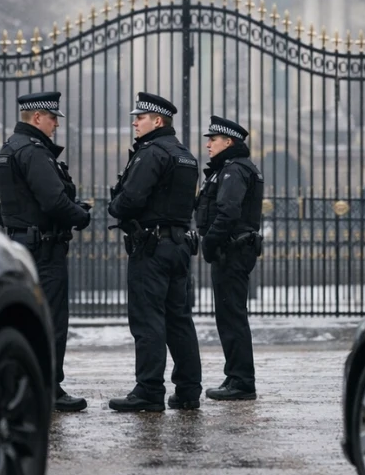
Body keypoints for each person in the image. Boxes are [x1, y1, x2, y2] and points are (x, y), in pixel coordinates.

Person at [0, 91, 92, 412]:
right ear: (37, 117)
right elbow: (52, 201)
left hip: (22, 245)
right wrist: (81, 215)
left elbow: (8, 207)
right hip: (44, 250)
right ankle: (49, 387)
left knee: (26, 318)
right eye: (52, 119)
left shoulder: (9, 149)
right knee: (51, 320)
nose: (55, 126)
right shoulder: (35, 152)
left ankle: (23, 383)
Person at [107, 92, 203, 412]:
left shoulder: (151, 152)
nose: (135, 122)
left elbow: (131, 198)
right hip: (177, 245)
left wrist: (115, 206)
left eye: (141, 118)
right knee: (178, 319)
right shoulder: (185, 154)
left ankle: (149, 390)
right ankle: (188, 389)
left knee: (148, 319)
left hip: (151, 246)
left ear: (158, 120)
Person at [196, 115, 264, 402]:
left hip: (232, 250)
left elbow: (228, 212)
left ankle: (241, 381)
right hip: (234, 249)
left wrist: (210, 243)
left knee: (231, 315)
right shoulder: (233, 168)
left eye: (213, 139)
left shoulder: (234, 170)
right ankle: (236, 375)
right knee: (231, 314)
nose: (208, 144)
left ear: (229, 141)